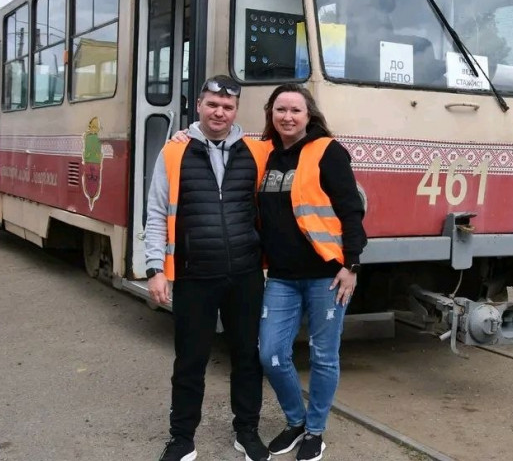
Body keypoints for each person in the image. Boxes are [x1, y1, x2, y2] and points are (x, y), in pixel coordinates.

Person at [144, 74, 270, 461]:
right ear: (198, 105)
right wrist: (155, 268)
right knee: (190, 359)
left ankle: (246, 431)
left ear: (236, 112)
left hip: (246, 273)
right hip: (194, 273)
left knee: (247, 356)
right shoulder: (173, 151)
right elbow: (155, 212)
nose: (219, 112)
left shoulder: (258, 151)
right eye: (212, 104)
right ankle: (182, 438)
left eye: (228, 107)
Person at [251, 83, 367, 461]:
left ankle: (315, 431)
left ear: (308, 115)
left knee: (324, 356)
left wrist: (351, 265)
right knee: (270, 353)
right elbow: (218, 137)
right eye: (280, 110)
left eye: (295, 110)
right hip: (282, 277)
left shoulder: (327, 151)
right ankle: (296, 421)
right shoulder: (263, 153)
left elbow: (352, 211)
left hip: (327, 275)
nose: (287, 117)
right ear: (270, 113)